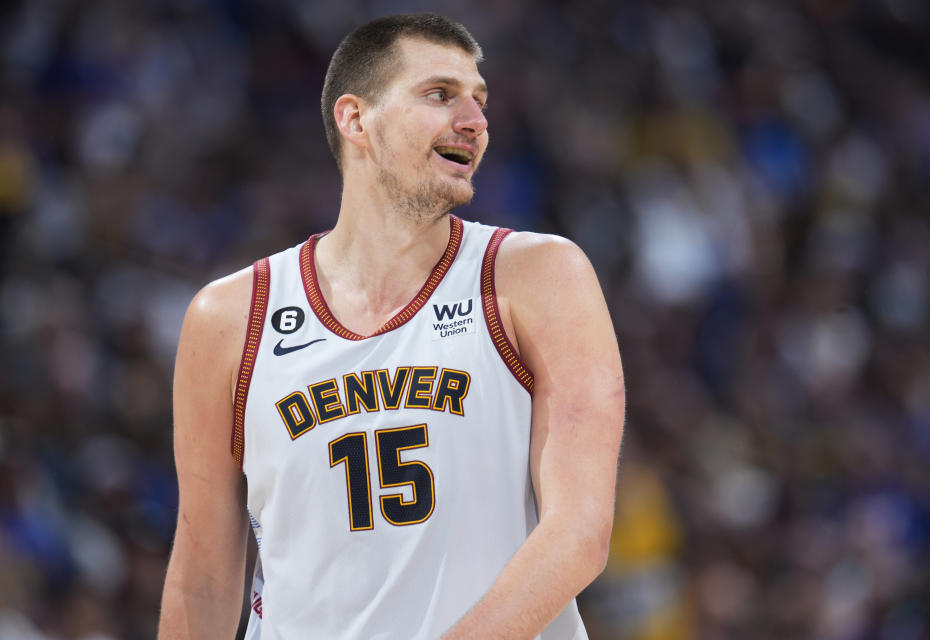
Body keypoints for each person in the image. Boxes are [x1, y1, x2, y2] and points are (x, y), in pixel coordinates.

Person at [157, 13, 624, 639]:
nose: (475, 122)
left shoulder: (535, 276)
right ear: (356, 119)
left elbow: (577, 533)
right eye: (440, 95)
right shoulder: (229, 318)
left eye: (480, 101)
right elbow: (204, 577)